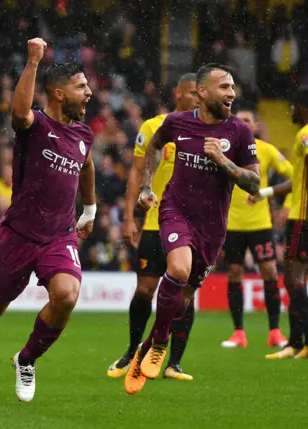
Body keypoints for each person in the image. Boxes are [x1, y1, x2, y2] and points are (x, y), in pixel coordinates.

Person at [0, 38, 96, 410]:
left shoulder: (84, 135)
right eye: (82, 86)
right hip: (18, 234)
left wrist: (91, 209)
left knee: (66, 296)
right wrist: (32, 60)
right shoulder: (36, 126)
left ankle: (26, 360)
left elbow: (87, 164)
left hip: (60, 235)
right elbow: (18, 113)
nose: (90, 92)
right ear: (59, 94)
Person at [124, 63, 260, 395]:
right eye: (224, 87)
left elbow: (254, 183)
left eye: (232, 87)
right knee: (179, 269)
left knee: (185, 297)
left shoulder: (239, 132)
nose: (231, 93)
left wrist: (224, 162)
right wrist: (145, 188)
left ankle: (146, 349)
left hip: (212, 226)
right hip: (175, 211)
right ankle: (158, 345)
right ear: (202, 92)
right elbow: (154, 147)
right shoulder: (176, 123)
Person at [108, 73, 199, 381]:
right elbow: (136, 173)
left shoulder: (206, 131)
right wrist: (130, 217)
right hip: (154, 223)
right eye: (191, 94)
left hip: (190, 227)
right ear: (178, 93)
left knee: (186, 293)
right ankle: (133, 349)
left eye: (200, 95)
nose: (197, 100)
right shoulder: (153, 127)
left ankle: (174, 362)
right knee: (145, 289)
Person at [265, 86, 308, 360]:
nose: (291, 109)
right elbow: (302, 179)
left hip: (306, 215)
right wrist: (266, 192)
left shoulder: (305, 135)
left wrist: (307, 215)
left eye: (294, 105)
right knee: (297, 279)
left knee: (293, 279)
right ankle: (295, 343)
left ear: (304, 106)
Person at [221, 106, 292, 349]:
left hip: (260, 224)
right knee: (234, 275)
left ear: (255, 126)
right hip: (231, 225)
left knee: (270, 273)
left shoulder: (266, 150)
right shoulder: (223, 150)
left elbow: (296, 175)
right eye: (238, 119)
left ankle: (275, 331)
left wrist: (288, 205)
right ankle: (238, 332)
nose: (242, 123)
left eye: (247, 120)